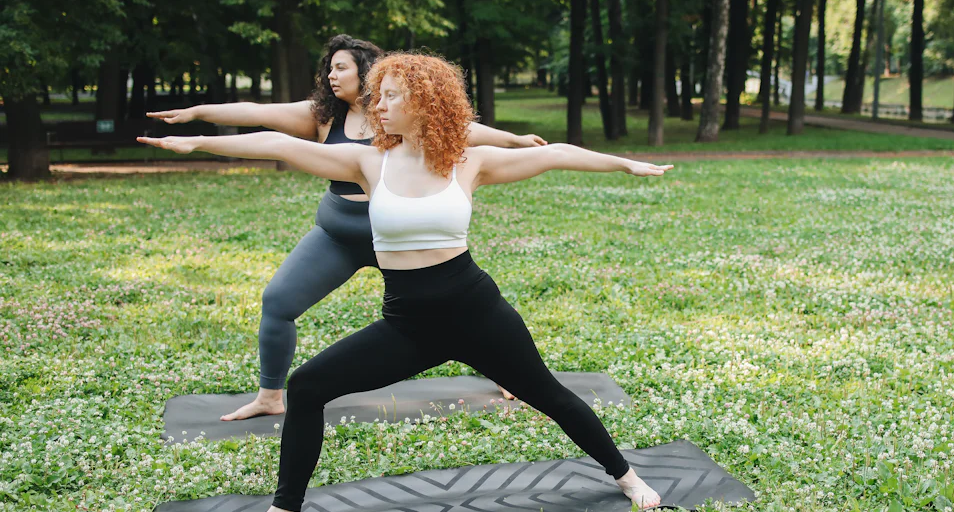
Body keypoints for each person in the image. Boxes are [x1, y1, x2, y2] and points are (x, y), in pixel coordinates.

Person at [140, 51, 669, 510]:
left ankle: (627, 478)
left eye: (390, 97)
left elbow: (554, 154)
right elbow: (278, 144)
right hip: (408, 325)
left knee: (550, 396)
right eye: (378, 96)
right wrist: (201, 144)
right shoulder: (368, 162)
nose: (379, 106)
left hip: (477, 312)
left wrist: (625, 164)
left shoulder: (468, 162)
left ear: (424, 103)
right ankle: (286, 507)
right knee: (306, 388)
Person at [147, 35, 544, 420]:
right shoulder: (322, 115)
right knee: (278, 301)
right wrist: (197, 115)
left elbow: (464, 131)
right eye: (329, 68)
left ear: (365, 72)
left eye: (341, 68)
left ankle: (505, 373)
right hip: (337, 235)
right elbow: (256, 113)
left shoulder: (400, 113)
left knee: (454, 306)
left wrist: (516, 139)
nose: (332, 76)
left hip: (395, 237)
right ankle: (270, 396)